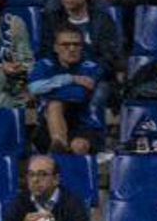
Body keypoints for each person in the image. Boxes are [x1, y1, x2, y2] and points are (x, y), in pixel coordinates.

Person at [41, 0, 122, 122]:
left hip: (96, 79)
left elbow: (109, 59)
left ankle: (90, 138)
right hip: (62, 75)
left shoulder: (102, 20)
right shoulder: (52, 20)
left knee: (97, 95)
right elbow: (46, 53)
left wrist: (89, 76)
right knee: (52, 99)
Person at [28, 25, 105, 154]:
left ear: (82, 47)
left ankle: (59, 150)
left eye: (76, 44)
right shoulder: (44, 64)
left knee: (78, 146)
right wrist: (70, 79)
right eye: (65, 45)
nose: (72, 49)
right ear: (56, 48)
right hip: (47, 124)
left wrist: (47, 90)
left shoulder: (91, 67)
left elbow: (77, 94)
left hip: (82, 122)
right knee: (54, 105)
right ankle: (60, 147)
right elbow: (33, 88)